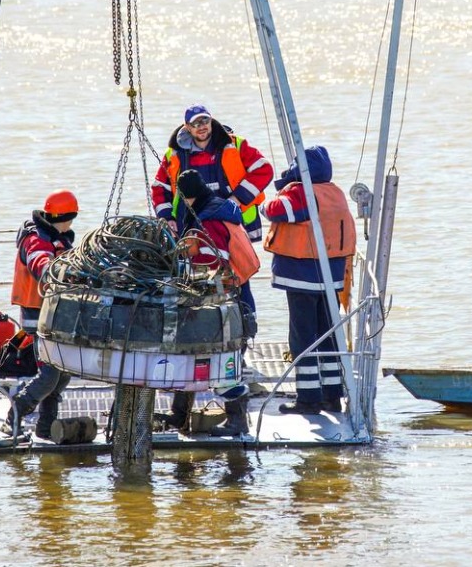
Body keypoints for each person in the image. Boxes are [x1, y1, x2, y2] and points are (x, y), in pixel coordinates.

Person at [154, 170, 255, 436]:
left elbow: (214, 260)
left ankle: (237, 421)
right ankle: (179, 415)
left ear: (187, 197)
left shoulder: (208, 219)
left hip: (224, 302)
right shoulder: (219, 208)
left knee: (222, 360)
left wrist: (185, 272)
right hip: (233, 295)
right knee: (189, 352)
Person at [151, 103, 273, 314]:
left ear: (211, 121)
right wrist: (166, 217)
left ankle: (245, 320)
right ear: (187, 127)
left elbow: (264, 170)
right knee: (193, 275)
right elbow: (160, 188)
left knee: (237, 275)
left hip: (231, 223)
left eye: (205, 120)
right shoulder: (175, 154)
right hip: (190, 226)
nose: (202, 126)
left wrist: (237, 199)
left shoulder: (234, 145)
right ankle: (208, 321)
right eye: (195, 123)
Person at [261, 145, 356, 414]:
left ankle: (308, 399)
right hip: (331, 279)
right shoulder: (333, 192)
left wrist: (264, 204)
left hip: (303, 277)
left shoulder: (302, 192)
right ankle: (332, 395)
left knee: (302, 337)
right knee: (327, 335)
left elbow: (279, 211)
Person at [2, 189, 79, 439]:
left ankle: (46, 427)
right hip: (38, 315)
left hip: (55, 313)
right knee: (49, 374)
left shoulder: (58, 237)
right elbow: (40, 264)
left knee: (62, 372)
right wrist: (59, 272)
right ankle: (14, 414)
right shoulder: (36, 239)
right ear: (66, 216)